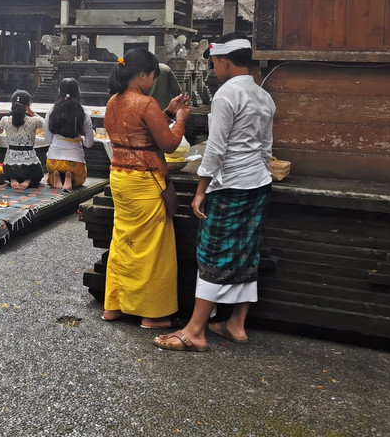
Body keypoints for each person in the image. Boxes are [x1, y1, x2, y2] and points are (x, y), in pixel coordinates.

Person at [154, 35, 275, 352]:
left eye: (214, 63)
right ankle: (235, 323)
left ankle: (195, 330)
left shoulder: (226, 95)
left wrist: (200, 190)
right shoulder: (264, 97)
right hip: (259, 183)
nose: (214, 69)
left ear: (224, 62)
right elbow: (266, 150)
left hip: (230, 185)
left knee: (212, 252)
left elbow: (216, 149)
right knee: (246, 251)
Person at [102, 48, 191, 329]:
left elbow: (140, 131)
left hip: (120, 177)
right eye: (152, 75)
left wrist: (168, 111)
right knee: (153, 247)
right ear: (142, 74)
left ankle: (114, 305)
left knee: (123, 240)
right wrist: (181, 119)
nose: (153, 80)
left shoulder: (112, 103)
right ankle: (152, 313)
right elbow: (169, 144)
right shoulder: (145, 103)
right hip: (145, 181)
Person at [44, 78, 95, 191]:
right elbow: (89, 143)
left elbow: (47, 140)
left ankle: (55, 176)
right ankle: (70, 177)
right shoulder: (83, 114)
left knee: (50, 175)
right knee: (81, 177)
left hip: (53, 160)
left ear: (59, 92)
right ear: (77, 92)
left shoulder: (51, 113)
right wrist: (80, 139)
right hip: (75, 162)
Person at [1, 90, 45, 191]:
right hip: (30, 168)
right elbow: (48, 125)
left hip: (9, 167)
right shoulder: (34, 121)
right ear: (28, 104)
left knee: (10, 166)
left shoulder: (5, 120)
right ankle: (28, 180)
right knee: (38, 173)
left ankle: (12, 178)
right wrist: (31, 112)